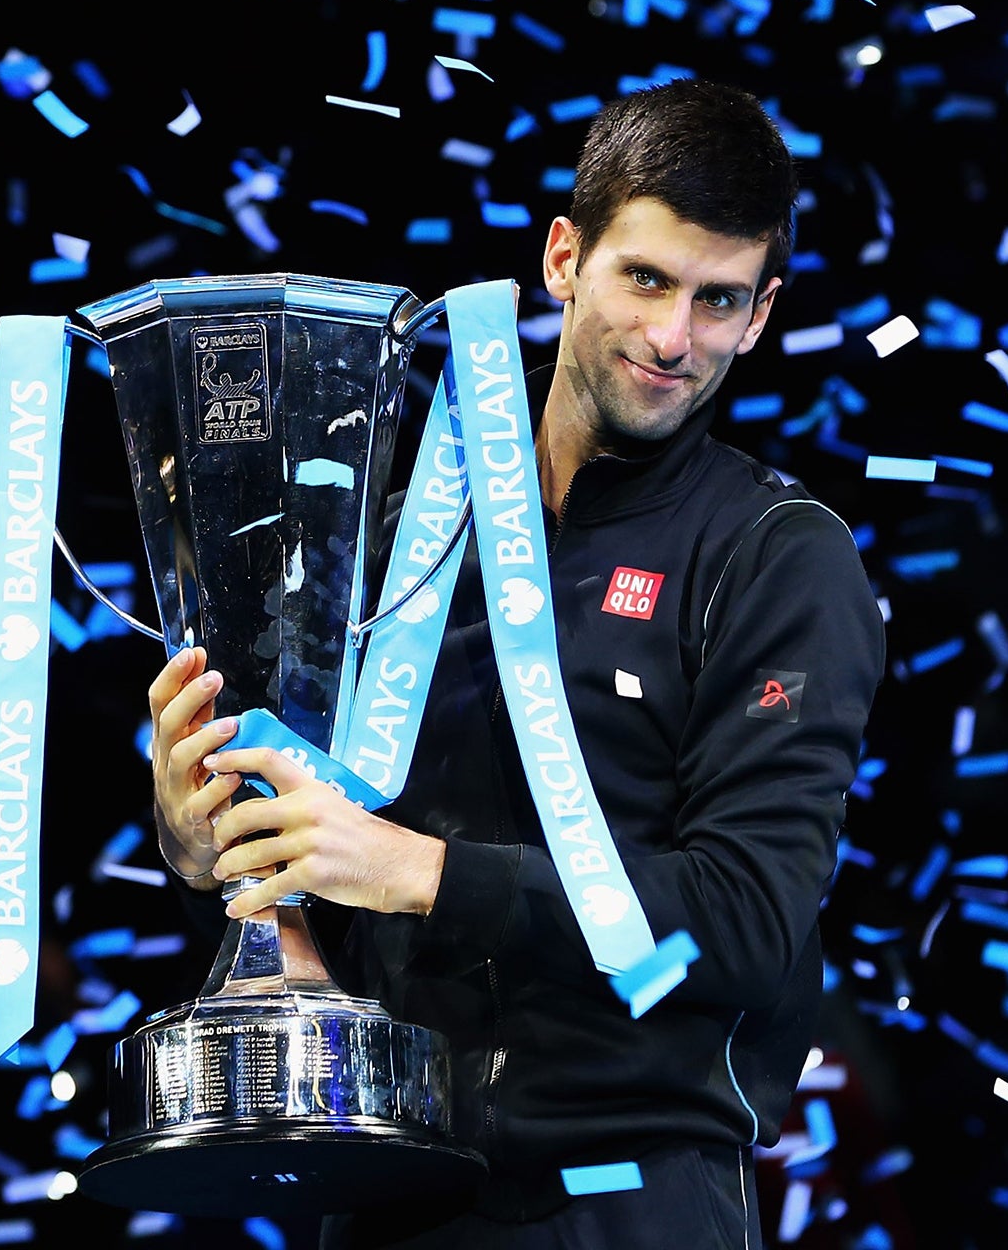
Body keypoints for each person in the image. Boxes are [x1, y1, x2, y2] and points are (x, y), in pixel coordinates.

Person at [145, 78, 888, 1248]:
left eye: (717, 301)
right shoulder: (400, 528)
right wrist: (210, 838)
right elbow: (321, 848)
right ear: (562, 259)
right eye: (644, 279)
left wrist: (424, 873)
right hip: (386, 1192)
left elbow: (744, 922)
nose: (670, 339)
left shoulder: (776, 557)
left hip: (624, 1207)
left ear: (761, 315)